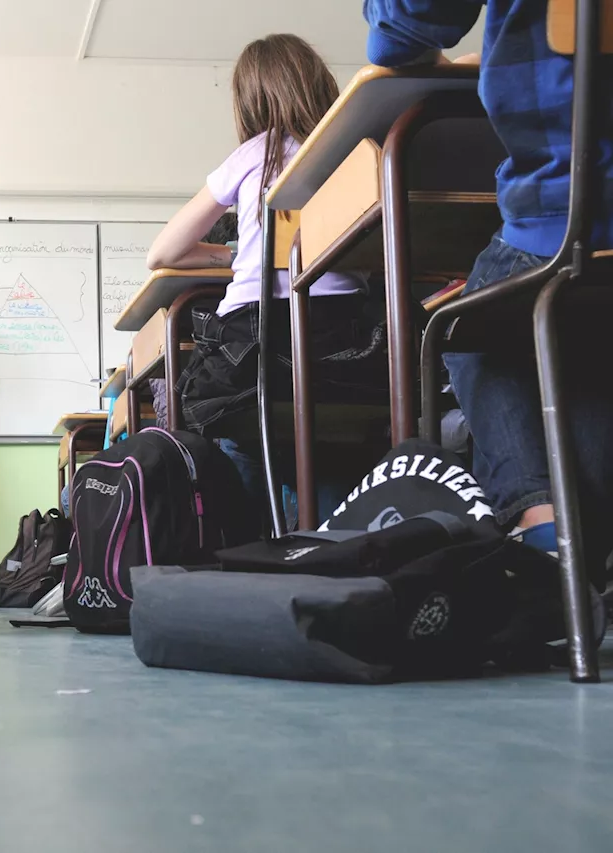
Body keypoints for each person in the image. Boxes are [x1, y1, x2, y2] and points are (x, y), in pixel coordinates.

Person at [363, 1, 613, 585]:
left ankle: (540, 521)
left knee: (463, 327)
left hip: (570, 218)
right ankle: (589, 543)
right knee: (583, 337)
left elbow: (403, 32)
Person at [146, 34, 386, 518]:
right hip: (345, 347)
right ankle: (334, 535)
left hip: (253, 348)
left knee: (238, 422)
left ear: (250, 100)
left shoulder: (257, 153)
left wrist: (236, 256)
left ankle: (248, 538)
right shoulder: (359, 148)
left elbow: (162, 252)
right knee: (330, 433)